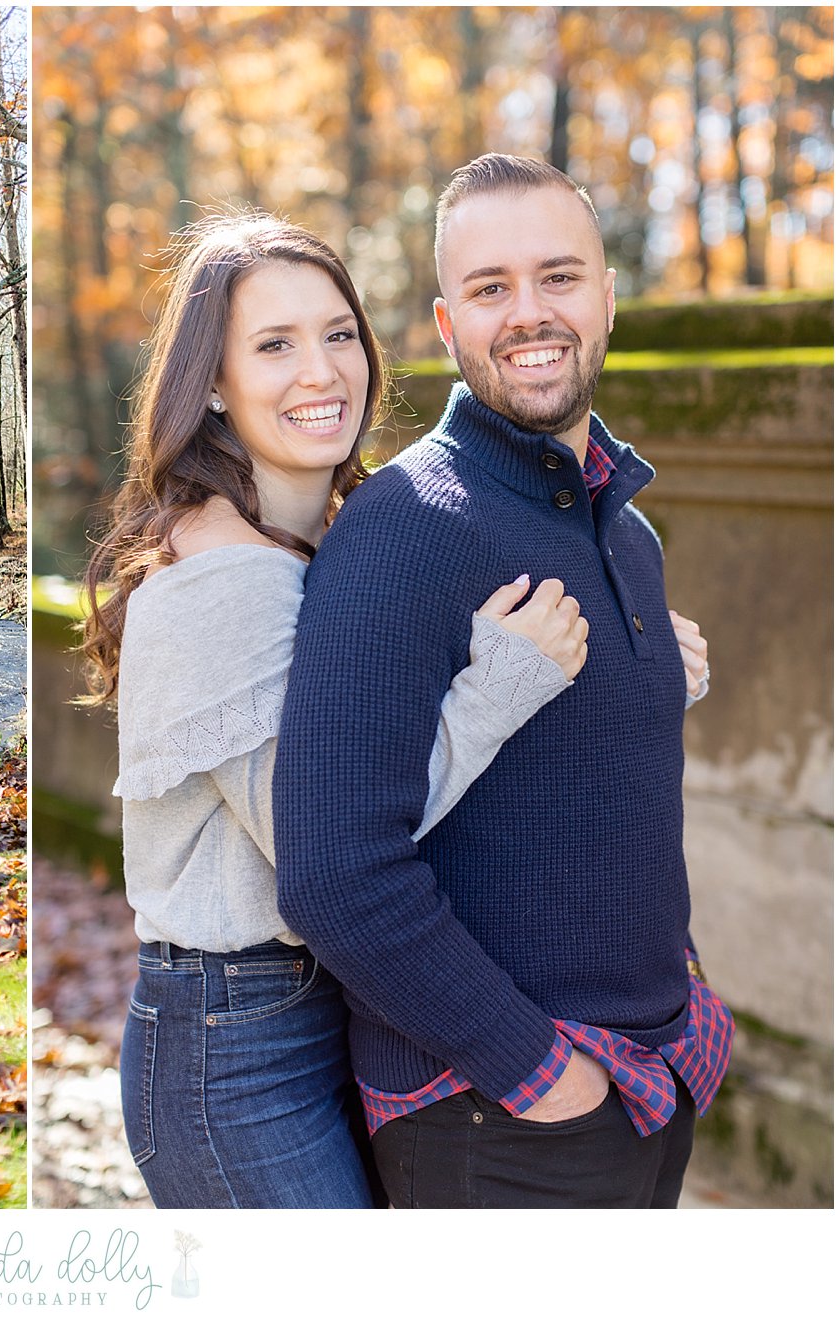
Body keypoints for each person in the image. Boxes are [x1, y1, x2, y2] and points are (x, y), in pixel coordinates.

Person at [80, 213, 610, 1209]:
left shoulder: (308, 546)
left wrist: (641, 649)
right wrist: (497, 685)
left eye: (337, 333)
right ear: (211, 385)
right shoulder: (225, 580)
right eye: (273, 345)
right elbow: (327, 838)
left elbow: (412, 712)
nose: (320, 370)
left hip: (327, 1009)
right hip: (235, 1054)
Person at [274, 154, 731, 1209]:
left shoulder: (626, 530)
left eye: (558, 277)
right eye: (490, 289)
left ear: (608, 296)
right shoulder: (401, 528)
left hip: (649, 1083)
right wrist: (541, 1073)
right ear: (446, 324)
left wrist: (684, 993)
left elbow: (610, 795)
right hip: (493, 1116)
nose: (528, 313)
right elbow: (336, 872)